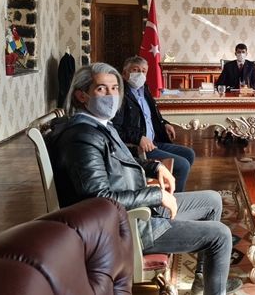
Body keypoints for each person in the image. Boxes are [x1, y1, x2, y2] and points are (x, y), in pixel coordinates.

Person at [49, 63, 239, 295]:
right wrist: (157, 195)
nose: (111, 95)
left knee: (213, 200)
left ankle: (202, 279)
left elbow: (121, 159)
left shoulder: (98, 125)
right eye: (101, 89)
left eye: (114, 88)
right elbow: (99, 198)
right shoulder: (81, 137)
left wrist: (155, 166)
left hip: (138, 209)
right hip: (126, 226)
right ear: (81, 95)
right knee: (221, 235)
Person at [112, 56, 195, 191]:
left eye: (143, 71)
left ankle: (169, 186)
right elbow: (115, 129)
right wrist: (138, 138)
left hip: (154, 141)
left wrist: (164, 123)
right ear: (125, 73)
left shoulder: (144, 89)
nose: (140, 74)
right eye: (135, 70)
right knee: (182, 165)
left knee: (189, 153)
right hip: (140, 147)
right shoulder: (120, 95)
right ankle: (176, 198)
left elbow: (151, 115)